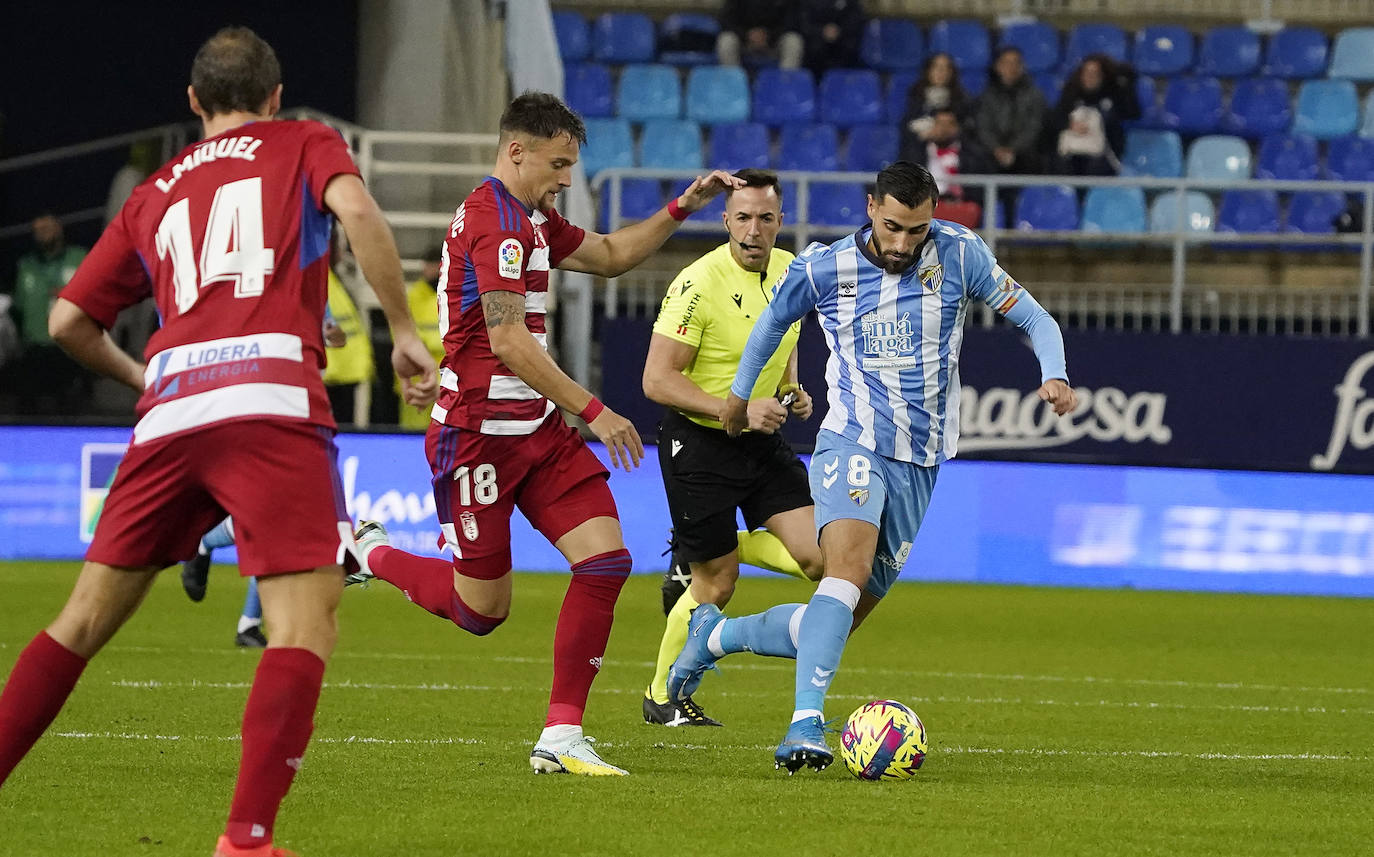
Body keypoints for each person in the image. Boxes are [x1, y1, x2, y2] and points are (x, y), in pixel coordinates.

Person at [0, 28, 437, 857]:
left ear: (194, 102)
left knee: (80, 621)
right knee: (302, 626)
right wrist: (405, 331)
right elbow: (356, 210)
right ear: (275, 97)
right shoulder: (304, 141)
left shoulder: (153, 189)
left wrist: (142, 377)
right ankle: (246, 838)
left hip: (170, 412)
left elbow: (66, 321)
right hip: (270, 398)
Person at [346, 91, 741, 776]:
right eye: (558, 164)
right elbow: (507, 341)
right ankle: (369, 550)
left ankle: (561, 734)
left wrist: (684, 206)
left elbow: (615, 253)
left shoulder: (531, 219)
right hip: (476, 439)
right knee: (481, 611)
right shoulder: (494, 222)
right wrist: (595, 409)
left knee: (606, 560)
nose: (566, 178)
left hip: (536, 432)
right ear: (516, 149)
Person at [670, 161, 1077, 773]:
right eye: (892, 228)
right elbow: (770, 325)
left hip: (923, 459)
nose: (902, 244)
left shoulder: (962, 255)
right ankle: (804, 726)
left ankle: (716, 636)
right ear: (870, 208)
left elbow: (1034, 318)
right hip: (851, 441)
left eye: (916, 231)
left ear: (932, 217)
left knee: (838, 617)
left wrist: (1054, 372)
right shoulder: (823, 265)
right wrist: (736, 398)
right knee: (846, 571)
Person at [640, 169, 823, 728]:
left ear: (779, 222)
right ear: (725, 220)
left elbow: (784, 339)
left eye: (765, 218)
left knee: (819, 558)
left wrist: (790, 387)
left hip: (762, 441)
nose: (753, 230)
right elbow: (656, 380)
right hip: (699, 445)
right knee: (716, 585)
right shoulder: (698, 284)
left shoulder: (793, 270)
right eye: (742, 217)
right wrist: (736, 408)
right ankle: (661, 697)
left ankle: (708, 546)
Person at [11, 214, 87, 413]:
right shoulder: (26, 265)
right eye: (37, 231)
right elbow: (17, 308)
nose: (41, 234)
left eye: (46, 229)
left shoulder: (79, 258)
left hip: (70, 349)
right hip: (34, 351)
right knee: (28, 411)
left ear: (59, 229)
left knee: (69, 411)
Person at [1049, 54, 1141, 177]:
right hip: (1072, 152)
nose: (1090, 77)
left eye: (1095, 73)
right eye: (1086, 72)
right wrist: (1069, 124)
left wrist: (1127, 85)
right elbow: (1054, 119)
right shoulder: (1070, 94)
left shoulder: (1114, 96)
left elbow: (1133, 113)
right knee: (1059, 164)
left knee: (1095, 168)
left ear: (1102, 76)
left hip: (1103, 155)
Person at [975, 47, 1048, 186]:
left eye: (1016, 63)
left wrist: (1013, 149)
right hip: (992, 153)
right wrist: (996, 149)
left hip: (1024, 154)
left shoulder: (1035, 96)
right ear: (998, 66)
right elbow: (983, 126)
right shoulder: (986, 96)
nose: (1011, 68)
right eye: (1007, 63)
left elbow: (1034, 127)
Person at [397, 243, 446, 430]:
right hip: (418, 379)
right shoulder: (414, 295)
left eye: (432, 264)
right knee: (413, 431)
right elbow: (405, 336)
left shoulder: (452, 294)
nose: (428, 269)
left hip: (447, 379)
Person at [901, 108, 993, 208]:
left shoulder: (972, 154)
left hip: (961, 206)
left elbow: (979, 189)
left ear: (957, 128)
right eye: (939, 123)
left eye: (948, 124)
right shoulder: (917, 151)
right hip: (926, 205)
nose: (943, 129)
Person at [898, 53, 973, 162]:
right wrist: (926, 132)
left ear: (952, 73)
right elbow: (906, 127)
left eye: (947, 68)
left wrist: (951, 131)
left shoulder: (962, 100)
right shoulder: (915, 97)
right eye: (936, 67)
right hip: (921, 156)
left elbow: (968, 128)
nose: (941, 72)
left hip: (954, 156)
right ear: (928, 71)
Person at [717, 0, 804, 69]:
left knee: (794, 41)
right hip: (745, 42)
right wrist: (746, 35)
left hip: (773, 43)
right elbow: (725, 20)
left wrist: (769, 37)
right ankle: (734, 85)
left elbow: (792, 21)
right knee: (726, 40)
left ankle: (785, 85)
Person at [798, 0, 865, 75]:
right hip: (814, 47)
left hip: (844, 45)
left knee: (850, 46)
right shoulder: (809, 3)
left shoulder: (852, 4)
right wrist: (822, 31)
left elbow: (856, 22)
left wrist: (839, 31)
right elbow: (804, 24)